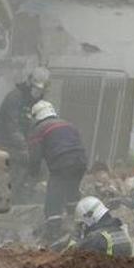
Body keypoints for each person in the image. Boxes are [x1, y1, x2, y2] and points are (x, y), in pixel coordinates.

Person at [27, 100, 88, 243]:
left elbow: (35, 157)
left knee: (53, 197)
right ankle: (78, 225)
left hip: (62, 162)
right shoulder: (68, 124)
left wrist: (32, 176)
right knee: (72, 192)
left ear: (36, 116)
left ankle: (53, 233)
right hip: (80, 161)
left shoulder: (39, 129)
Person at [0, 66, 51, 203]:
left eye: (41, 91)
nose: (38, 93)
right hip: (4, 146)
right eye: (36, 89)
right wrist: (25, 148)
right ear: (29, 83)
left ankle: (15, 205)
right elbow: (12, 127)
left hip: (22, 148)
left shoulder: (37, 102)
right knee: (5, 181)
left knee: (21, 181)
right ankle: (1, 207)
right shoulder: (15, 98)